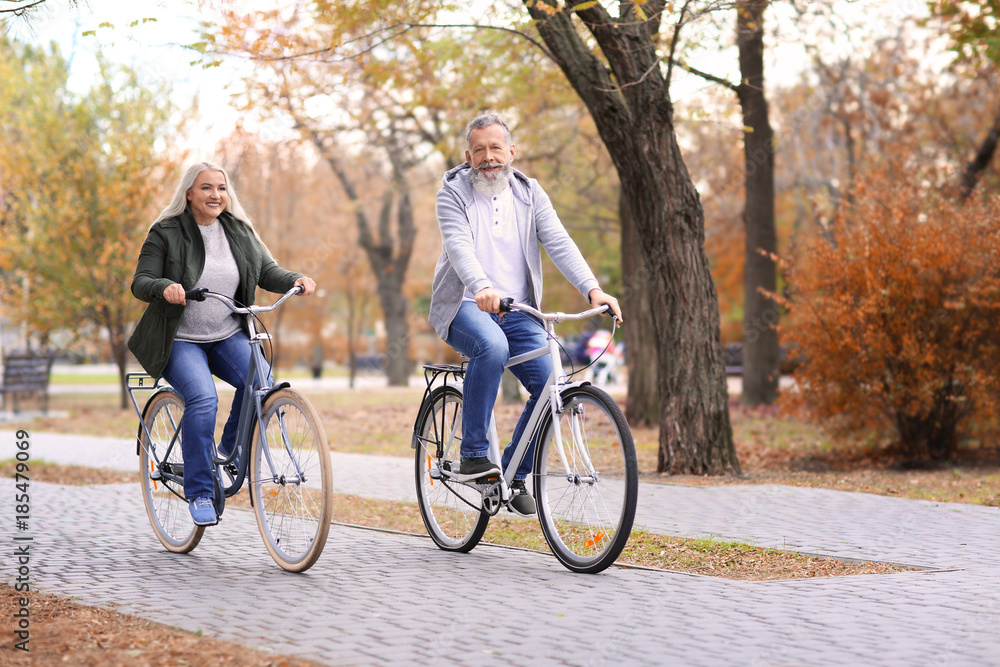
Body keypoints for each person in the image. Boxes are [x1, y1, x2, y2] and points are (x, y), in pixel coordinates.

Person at [428, 113, 623, 517]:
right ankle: (474, 454)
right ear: (468, 155)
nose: (488, 158)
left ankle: (516, 473)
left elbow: (559, 242)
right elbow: (459, 246)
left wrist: (593, 289)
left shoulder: (531, 193)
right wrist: (482, 287)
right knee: (491, 346)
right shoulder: (452, 193)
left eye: (496, 148)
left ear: (511, 151)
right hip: (466, 304)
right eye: (479, 150)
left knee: (553, 381)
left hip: (518, 309)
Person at [128, 161, 316, 527]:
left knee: (262, 382)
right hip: (179, 339)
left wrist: (296, 279)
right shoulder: (165, 232)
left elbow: (266, 271)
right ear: (189, 194)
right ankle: (199, 491)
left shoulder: (240, 231)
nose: (216, 195)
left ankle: (227, 451)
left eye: (221, 188)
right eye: (206, 188)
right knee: (203, 398)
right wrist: (163, 287)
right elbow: (141, 280)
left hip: (228, 333)